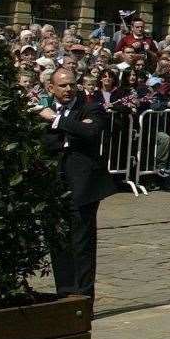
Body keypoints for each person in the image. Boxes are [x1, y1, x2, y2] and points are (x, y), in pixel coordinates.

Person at [38, 66, 115, 298]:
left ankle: (83, 297)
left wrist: (57, 121)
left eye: (72, 84)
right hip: (54, 186)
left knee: (82, 244)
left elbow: (89, 133)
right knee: (58, 242)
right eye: (62, 86)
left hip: (83, 188)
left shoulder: (90, 107)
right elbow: (48, 143)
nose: (68, 89)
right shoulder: (44, 112)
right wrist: (68, 131)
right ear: (50, 88)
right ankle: (65, 294)